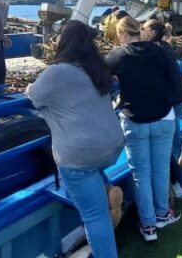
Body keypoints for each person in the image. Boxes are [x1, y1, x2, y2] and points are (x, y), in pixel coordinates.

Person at [26, 20, 125, 258]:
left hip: (80, 153)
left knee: (94, 216)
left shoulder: (56, 72)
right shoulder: (96, 70)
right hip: (111, 144)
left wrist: (30, 88)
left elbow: (33, 96)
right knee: (90, 171)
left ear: (64, 43)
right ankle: (106, 187)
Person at [106, 16, 181, 242]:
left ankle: (148, 226)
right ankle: (162, 214)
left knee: (140, 174)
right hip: (163, 117)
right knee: (160, 170)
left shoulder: (117, 55)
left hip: (134, 120)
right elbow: (174, 80)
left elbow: (98, 78)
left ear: (122, 34)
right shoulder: (161, 51)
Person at [141, 19, 182, 200]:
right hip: (180, 98)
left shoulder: (153, 49)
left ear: (151, 32)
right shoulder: (164, 46)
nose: (141, 31)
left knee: (172, 146)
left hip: (170, 101)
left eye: (143, 28)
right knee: (172, 139)